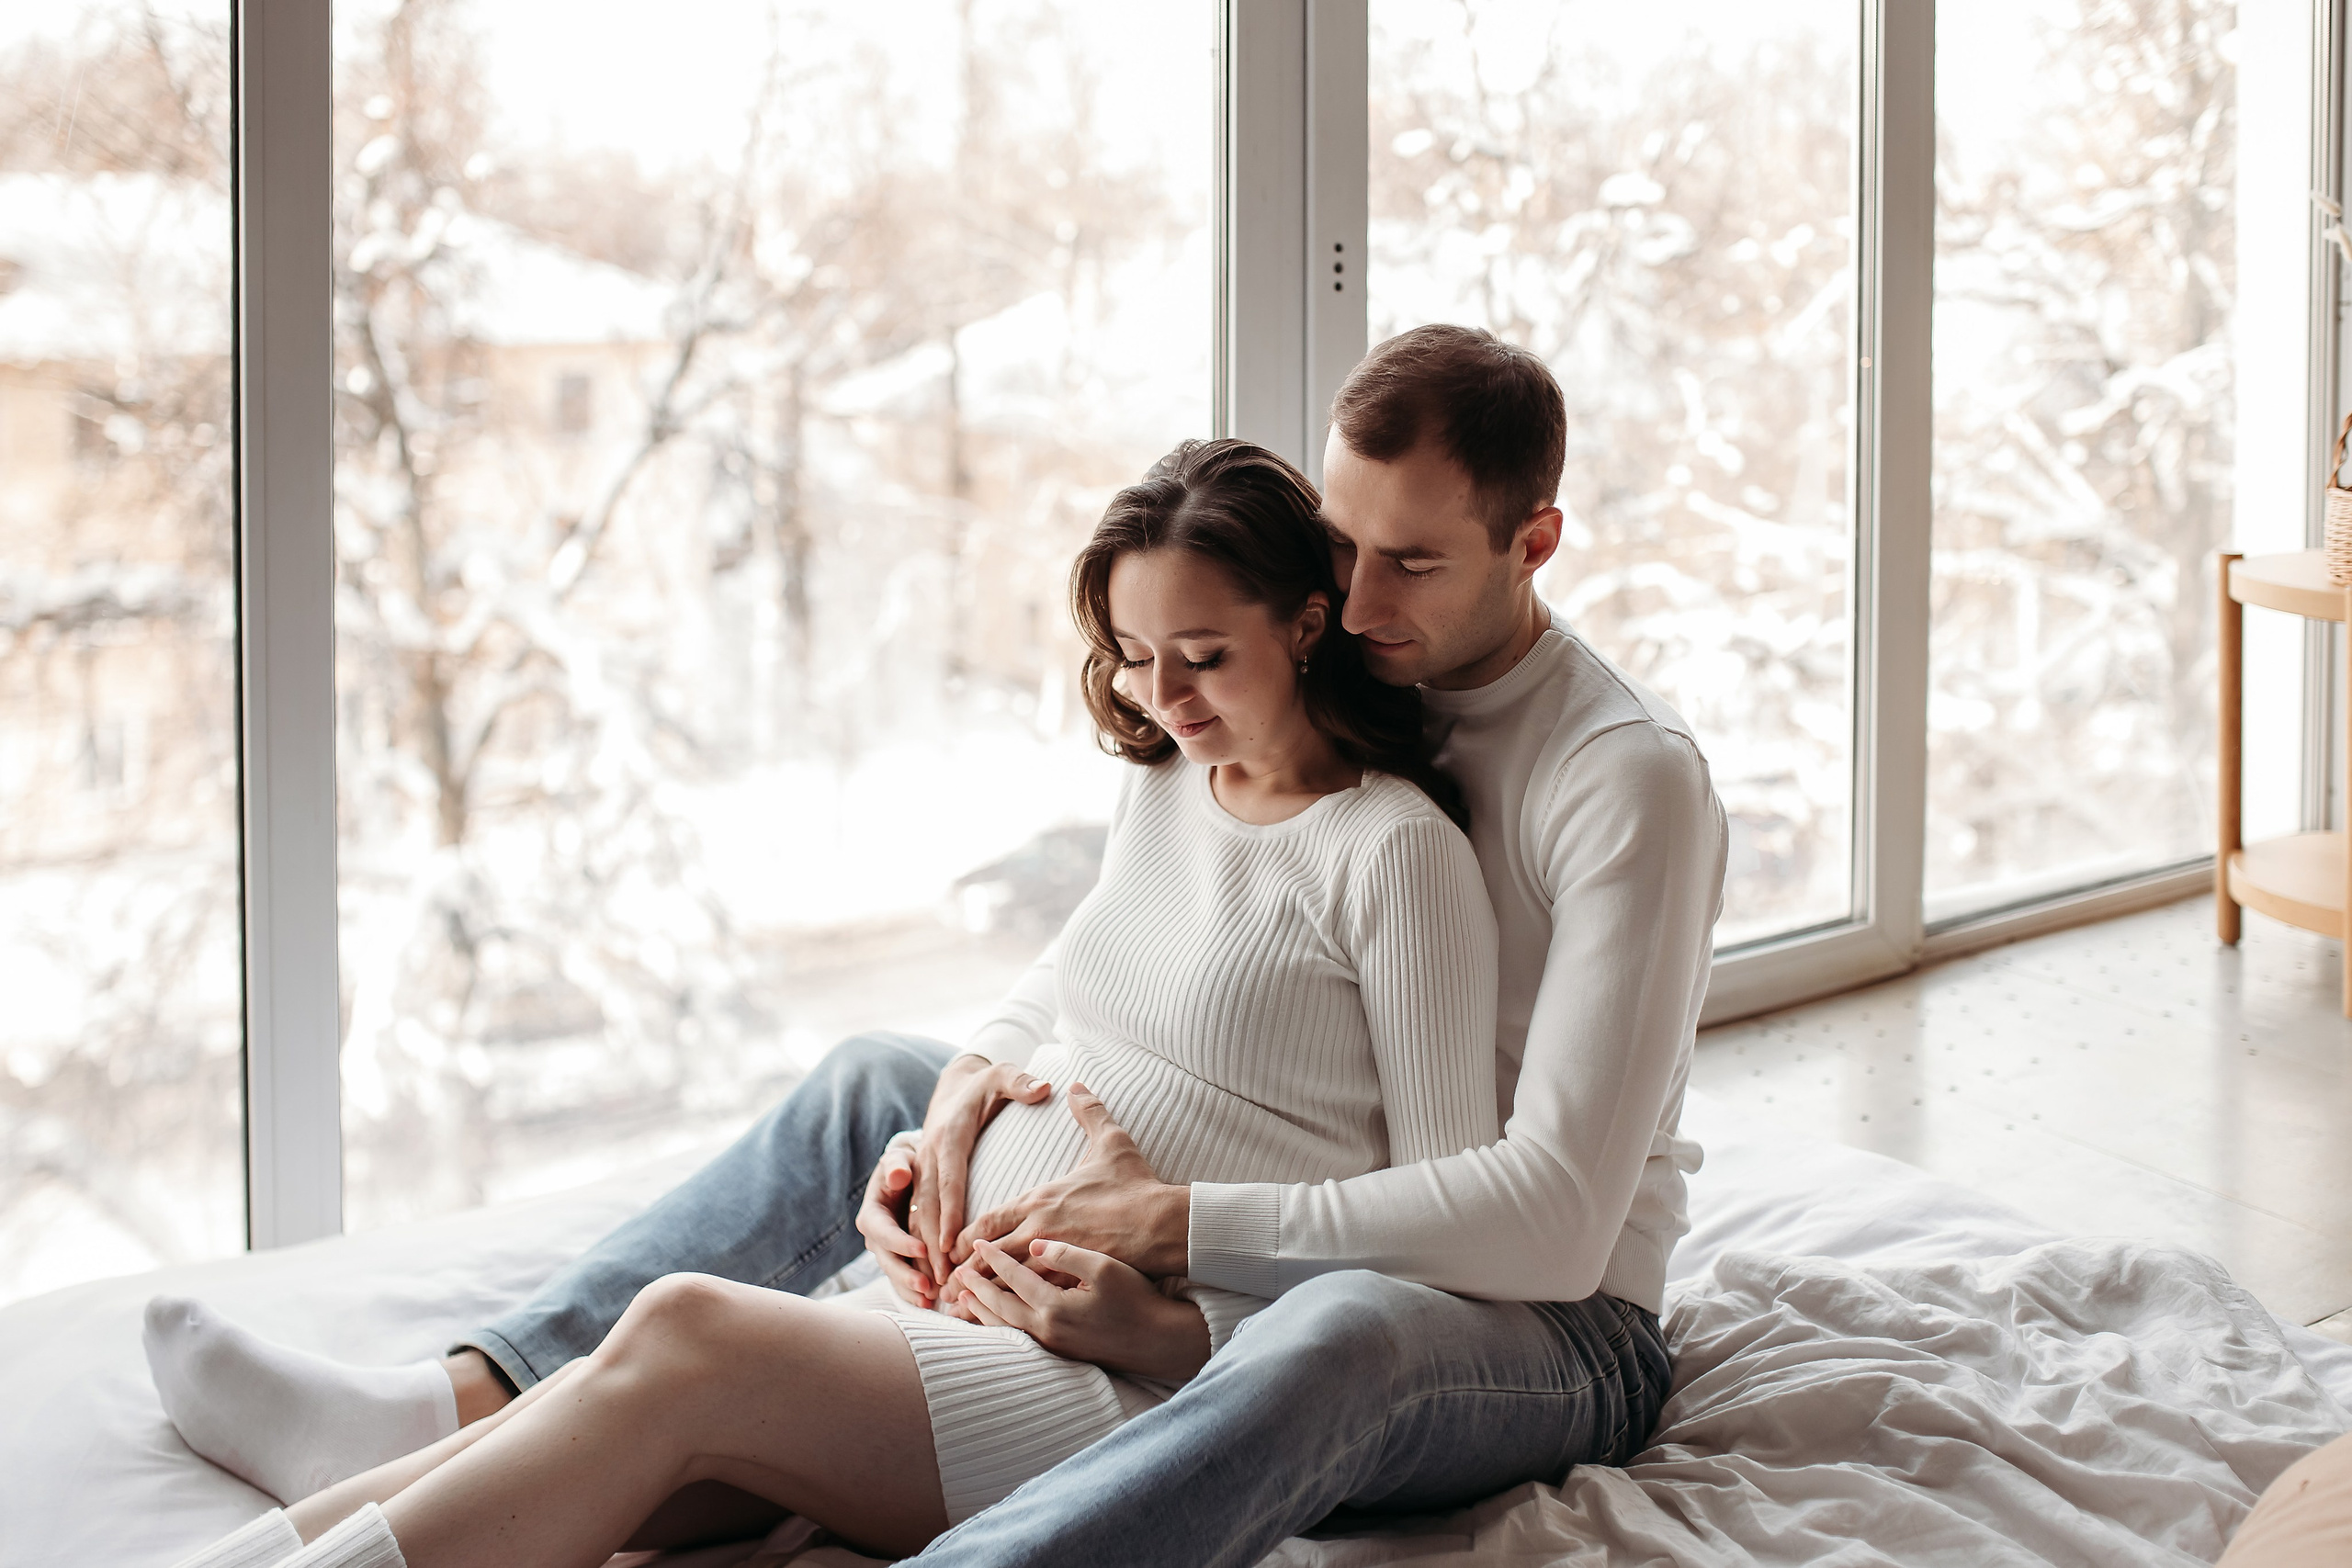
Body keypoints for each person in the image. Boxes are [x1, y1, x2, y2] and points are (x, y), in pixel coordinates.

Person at [148, 324, 1727, 1568]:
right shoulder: (1279, 717)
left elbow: (1545, 1227)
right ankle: (460, 1407)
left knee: (1343, 1335)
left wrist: (1168, 1245)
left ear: (1535, 544)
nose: (1354, 587)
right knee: (872, 1085)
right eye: (1339, 541)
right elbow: (1115, 964)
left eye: (1412, 563)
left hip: (1534, 1307)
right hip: (1243, 1197)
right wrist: (977, 1088)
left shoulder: (1612, 782)